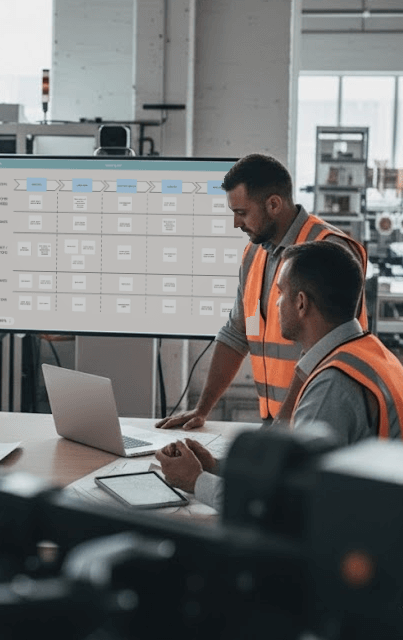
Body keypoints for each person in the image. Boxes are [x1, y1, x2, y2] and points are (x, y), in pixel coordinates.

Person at [156, 240, 403, 509]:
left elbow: (289, 508)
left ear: (301, 303)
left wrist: (196, 480)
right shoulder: (372, 354)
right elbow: (298, 478)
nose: (275, 304)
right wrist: (218, 468)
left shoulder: (332, 385)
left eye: (280, 293)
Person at [156, 153, 367, 431]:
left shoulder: (329, 249)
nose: (236, 223)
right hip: (279, 421)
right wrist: (202, 409)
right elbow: (236, 333)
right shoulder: (254, 253)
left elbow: (328, 346)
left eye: (242, 213)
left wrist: (284, 422)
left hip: (322, 417)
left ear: (274, 204)